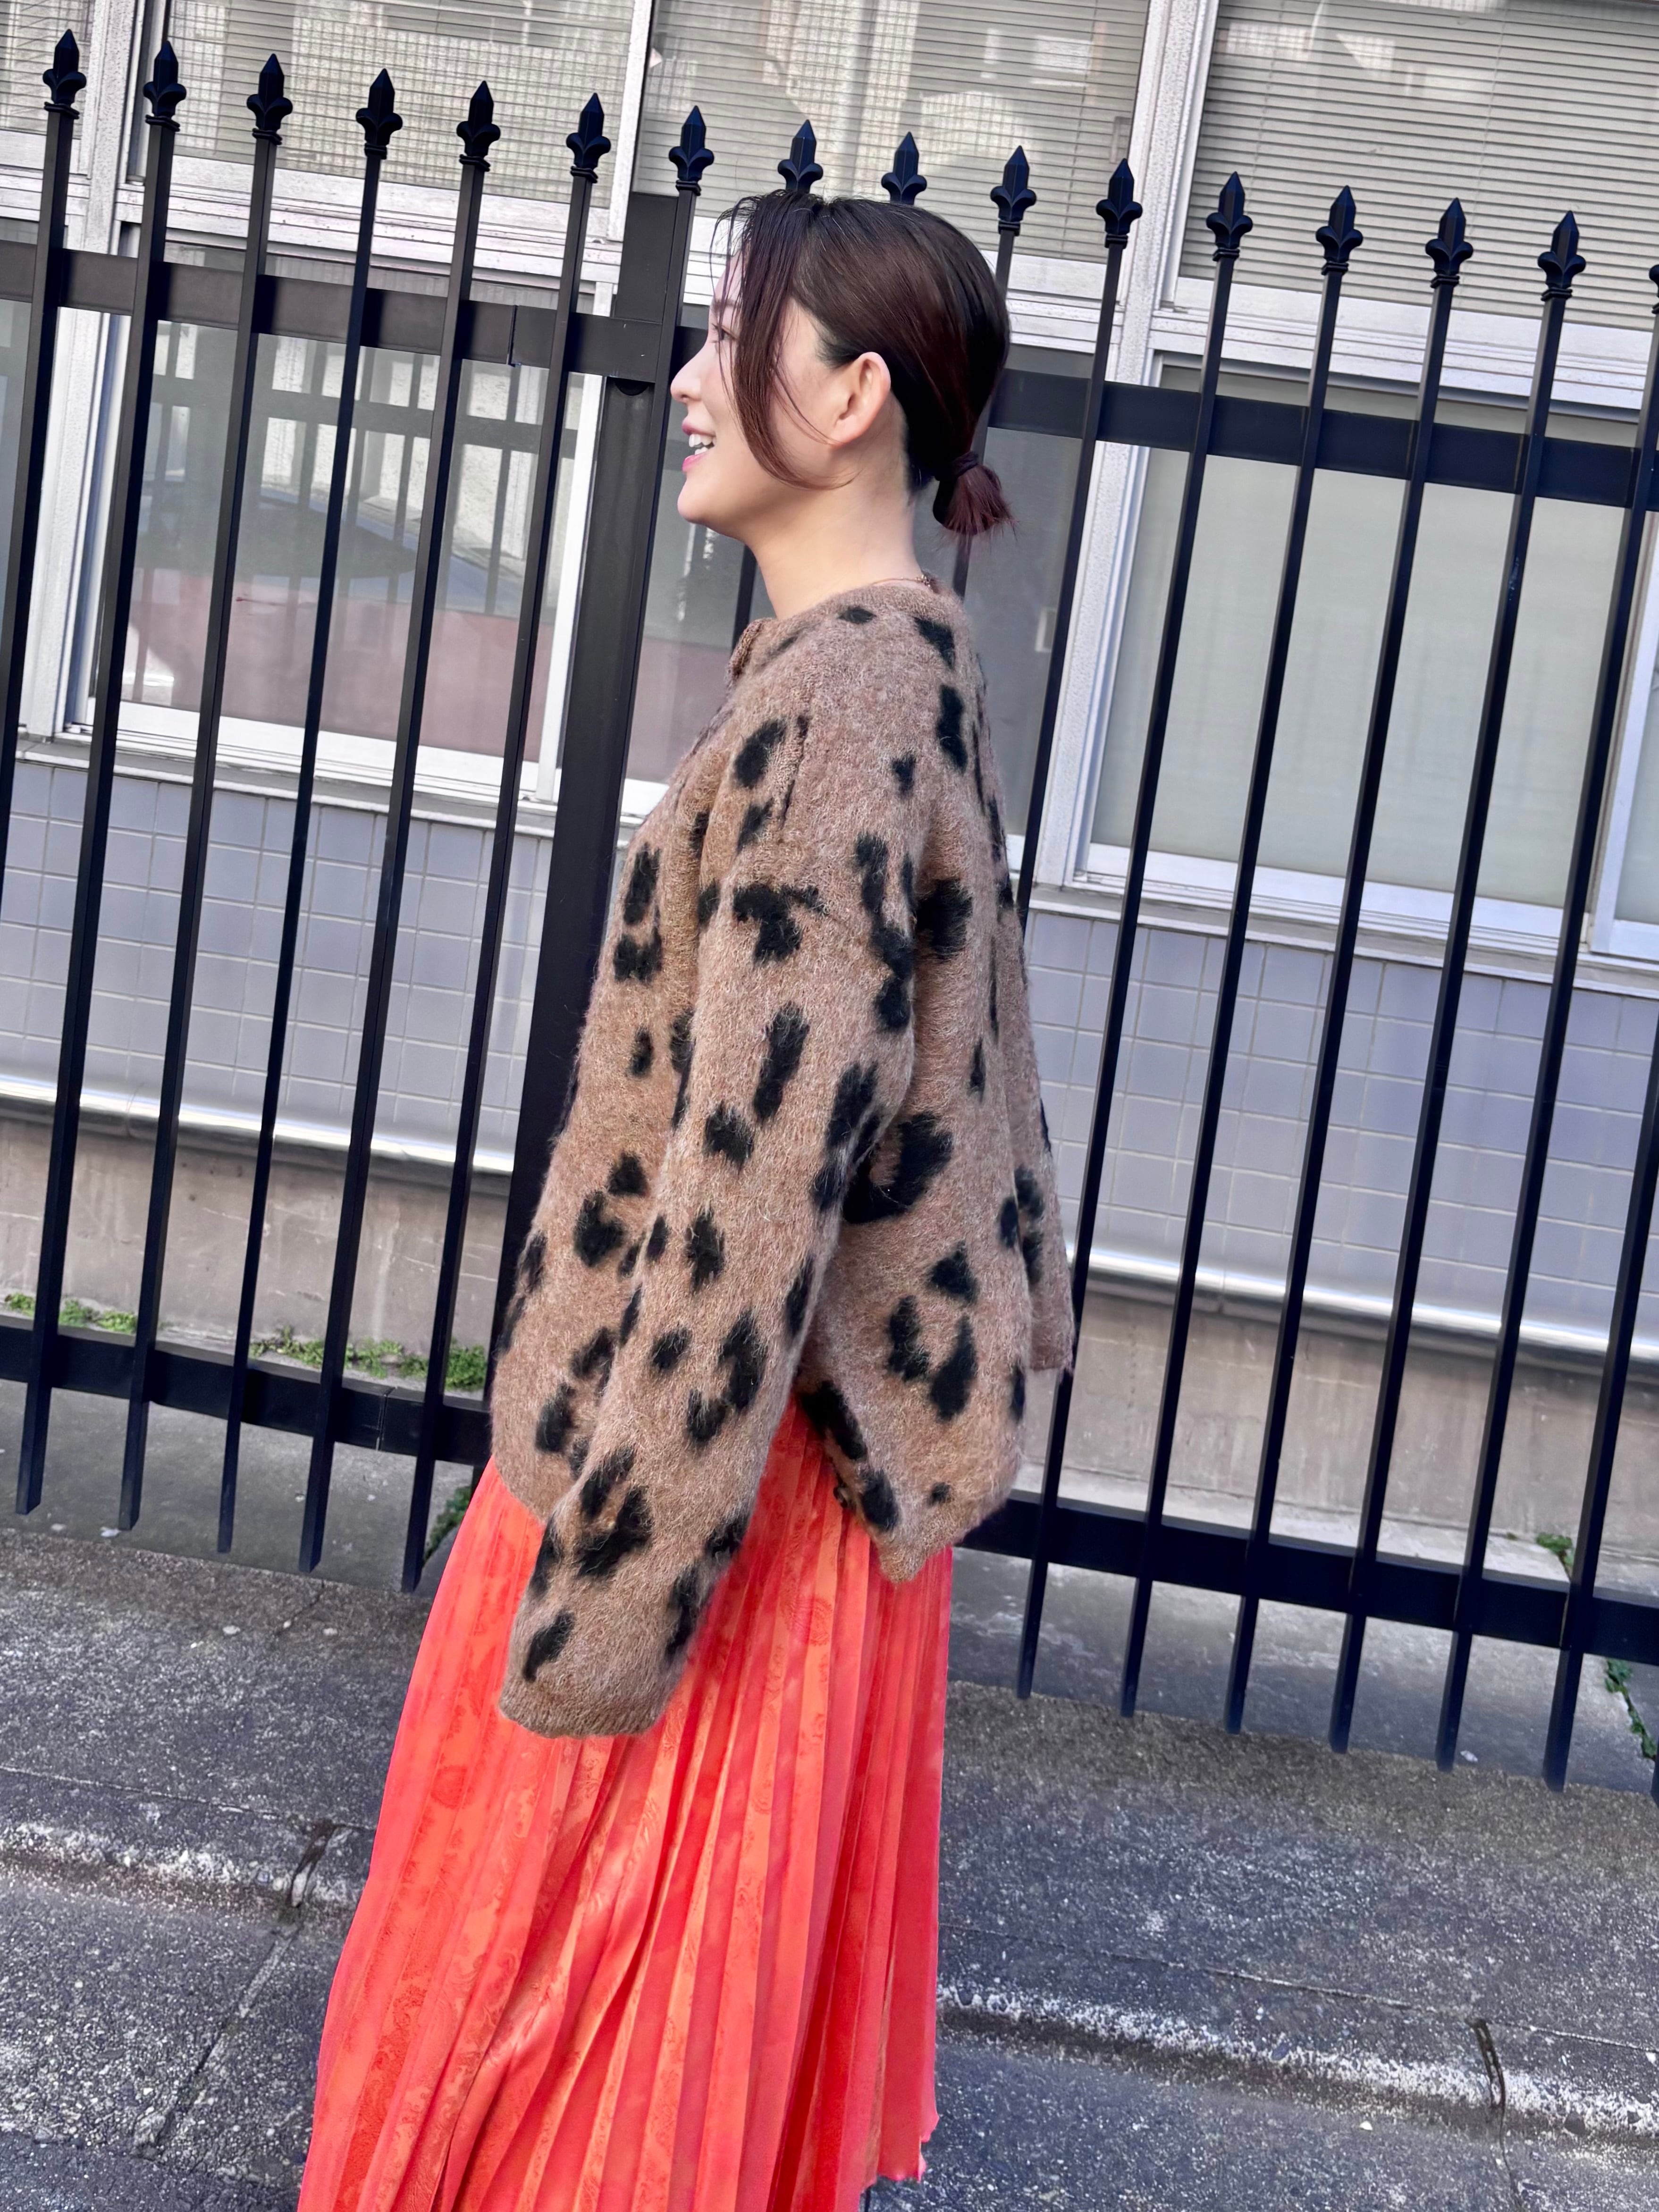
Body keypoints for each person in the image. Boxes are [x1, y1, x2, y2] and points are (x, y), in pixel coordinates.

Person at [298, 185, 1070, 2212]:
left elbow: (759, 1194)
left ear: (854, 393)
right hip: (778, 1467)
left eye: (734, 334)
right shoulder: (895, 664)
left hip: (702, 1478)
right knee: (639, 2034)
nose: (689, 376)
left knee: (562, 2018)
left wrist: (618, 1594)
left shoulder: (840, 707)